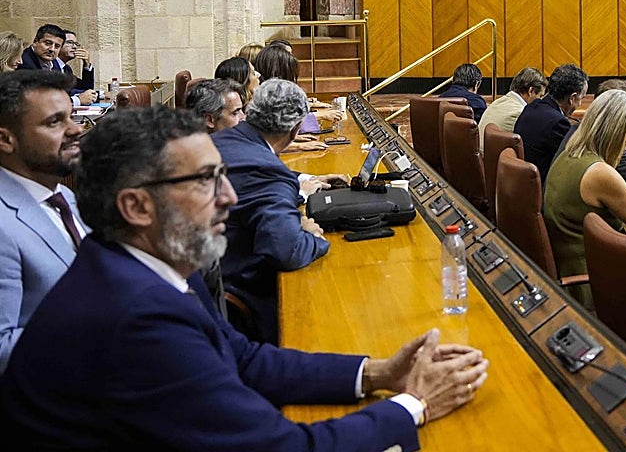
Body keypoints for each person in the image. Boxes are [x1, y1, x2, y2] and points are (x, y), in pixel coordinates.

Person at [0, 105, 488, 450]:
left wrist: (378, 372)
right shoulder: (135, 317)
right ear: (136, 206)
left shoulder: (145, 265)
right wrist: (415, 403)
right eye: (205, 181)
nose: (230, 197)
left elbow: (243, 360)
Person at [213, 79, 337, 342]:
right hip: (238, 297)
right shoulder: (268, 173)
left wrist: (300, 180)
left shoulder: (224, 139)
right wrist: (311, 236)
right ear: (295, 129)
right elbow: (287, 251)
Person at [543, 89, 626, 307]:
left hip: (574, 271)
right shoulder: (599, 173)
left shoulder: (570, 154)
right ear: (613, 131)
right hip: (594, 286)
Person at [0, 71, 87, 372]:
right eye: (55, 122)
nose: (75, 130)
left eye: (72, 117)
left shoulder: (63, 195)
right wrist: (107, 330)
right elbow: (2, 349)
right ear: (5, 139)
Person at [514, 63, 588, 183]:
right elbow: (572, 164)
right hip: (544, 189)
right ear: (572, 98)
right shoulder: (557, 123)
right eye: (582, 98)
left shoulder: (532, 106)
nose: (580, 104)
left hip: (523, 184)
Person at [477, 66, 546, 146]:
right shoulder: (520, 113)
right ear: (531, 91)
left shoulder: (498, 102)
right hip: (493, 157)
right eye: (540, 96)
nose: (540, 101)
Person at [58, 29, 96, 96]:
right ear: (58, 45)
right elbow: (65, 92)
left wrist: (86, 65)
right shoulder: (50, 65)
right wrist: (99, 94)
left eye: (76, 44)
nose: (75, 47)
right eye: (69, 42)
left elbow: (85, 89)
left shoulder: (67, 69)